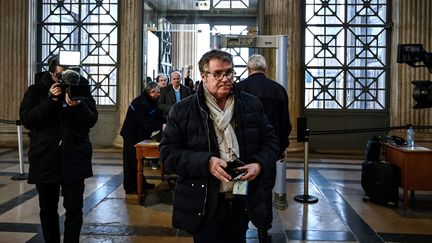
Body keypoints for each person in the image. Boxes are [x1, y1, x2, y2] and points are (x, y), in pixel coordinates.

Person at [159, 49, 279, 243]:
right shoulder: (183, 110)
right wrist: (206, 162)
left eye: (229, 72)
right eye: (217, 74)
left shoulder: (251, 104)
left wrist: (259, 164)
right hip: (204, 201)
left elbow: (271, 141)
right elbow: (168, 153)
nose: (225, 78)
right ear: (204, 77)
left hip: (241, 199)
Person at [19, 54, 98, 243]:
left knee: (74, 210)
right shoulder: (36, 90)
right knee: (48, 211)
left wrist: (78, 106)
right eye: (62, 75)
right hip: (45, 159)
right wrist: (50, 101)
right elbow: (28, 120)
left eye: (70, 73)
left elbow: (91, 119)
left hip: (74, 158)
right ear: (52, 74)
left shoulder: (81, 88)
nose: (66, 79)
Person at [238, 54, 292, 243]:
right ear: (266, 69)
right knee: (265, 190)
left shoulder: (240, 88)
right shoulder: (278, 90)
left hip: (242, 150)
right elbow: (285, 123)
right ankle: (262, 230)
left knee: (239, 190)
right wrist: (283, 146)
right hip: (269, 151)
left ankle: (240, 230)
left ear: (248, 68)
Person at [120, 81, 166, 194]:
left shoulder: (150, 100)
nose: (159, 94)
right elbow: (144, 122)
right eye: (158, 92)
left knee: (137, 161)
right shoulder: (140, 103)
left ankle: (141, 183)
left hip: (139, 135)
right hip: (131, 135)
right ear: (152, 92)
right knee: (131, 162)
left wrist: (167, 121)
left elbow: (157, 114)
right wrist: (161, 126)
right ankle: (131, 187)